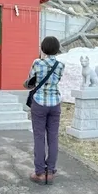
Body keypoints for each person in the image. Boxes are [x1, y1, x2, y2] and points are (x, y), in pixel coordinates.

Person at [25, 36, 64, 184]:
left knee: (39, 137)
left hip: (39, 104)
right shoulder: (61, 65)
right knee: (53, 138)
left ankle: (40, 173)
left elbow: (30, 82)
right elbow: (56, 81)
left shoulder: (37, 63)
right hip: (55, 104)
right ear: (57, 49)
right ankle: (51, 172)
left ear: (43, 48)